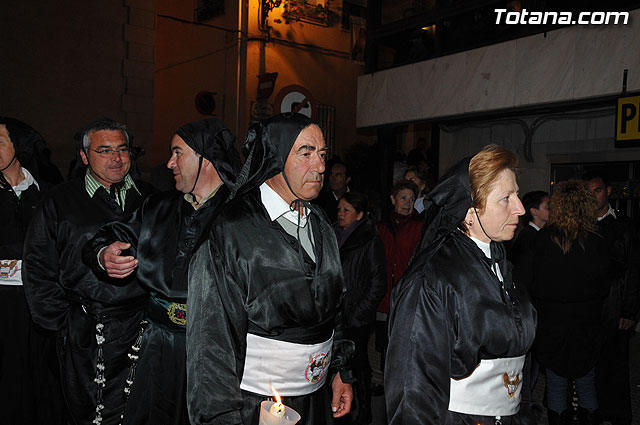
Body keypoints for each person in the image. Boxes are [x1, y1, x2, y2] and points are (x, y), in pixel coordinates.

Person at [187, 113, 354, 425]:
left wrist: (340, 371)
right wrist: (220, 418)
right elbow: (210, 342)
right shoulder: (232, 229)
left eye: (321, 154)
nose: (319, 167)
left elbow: (335, 307)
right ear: (274, 156)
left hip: (316, 402)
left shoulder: (321, 224)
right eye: (305, 153)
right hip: (253, 405)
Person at [82, 118, 241, 424]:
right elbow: (105, 237)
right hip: (156, 343)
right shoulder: (158, 207)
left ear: (205, 158)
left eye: (177, 153)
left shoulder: (240, 215)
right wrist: (104, 255)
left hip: (213, 351)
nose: (169, 163)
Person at [386, 144, 536, 425]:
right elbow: (413, 387)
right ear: (469, 212)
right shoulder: (433, 278)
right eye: (506, 198)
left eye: (516, 194)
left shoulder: (501, 263)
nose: (520, 207)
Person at [23, 118, 153, 425]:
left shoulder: (150, 198)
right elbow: (38, 264)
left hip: (142, 330)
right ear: (84, 156)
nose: (116, 158)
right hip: (85, 331)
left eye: (122, 149)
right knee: (89, 415)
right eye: (104, 150)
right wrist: (62, 325)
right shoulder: (60, 199)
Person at [525, 180, 609, 424]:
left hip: (553, 323)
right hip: (587, 322)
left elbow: (531, 283)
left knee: (556, 383)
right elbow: (605, 285)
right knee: (586, 384)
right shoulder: (598, 240)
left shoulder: (542, 240)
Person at [0, 118, 66, 424]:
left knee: (42, 377)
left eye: (0, 141)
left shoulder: (49, 195)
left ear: (21, 147)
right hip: (3, 305)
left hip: (40, 302)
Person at [583, 170, 640, 425]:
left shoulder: (624, 227)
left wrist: (629, 311)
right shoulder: (579, 226)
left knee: (615, 368)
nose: (593, 197)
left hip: (615, 308)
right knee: (586, 366)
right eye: (588, 192)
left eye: (597, 190)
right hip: (586, 309)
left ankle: (616, 416)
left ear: (607, 191)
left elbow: (634, 271)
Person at [334, 192, 386, 425]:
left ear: (360, 215)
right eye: (339, 209)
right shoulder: (333, 233)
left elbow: (378, 282)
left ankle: (364, 410)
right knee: (337, 366)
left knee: (359, 364)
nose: (340, 214)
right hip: (336, 314)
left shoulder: (369, 239)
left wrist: (359, 313)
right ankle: (339, 407)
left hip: (356, 316)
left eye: (346, 210)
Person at [375, 179, 422, 373]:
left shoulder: (419, 227)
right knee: (384, 344)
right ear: (393, 199)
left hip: (407, 297)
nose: (407, 203)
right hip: (384, 297)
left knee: (403, 344)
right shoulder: (381, 227)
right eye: (403, 198)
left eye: (411, 199)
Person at [508, 190, 549, 287]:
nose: (552, 210)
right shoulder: (528, 237)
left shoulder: (540, 234)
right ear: (534, 211)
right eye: (548, 207)